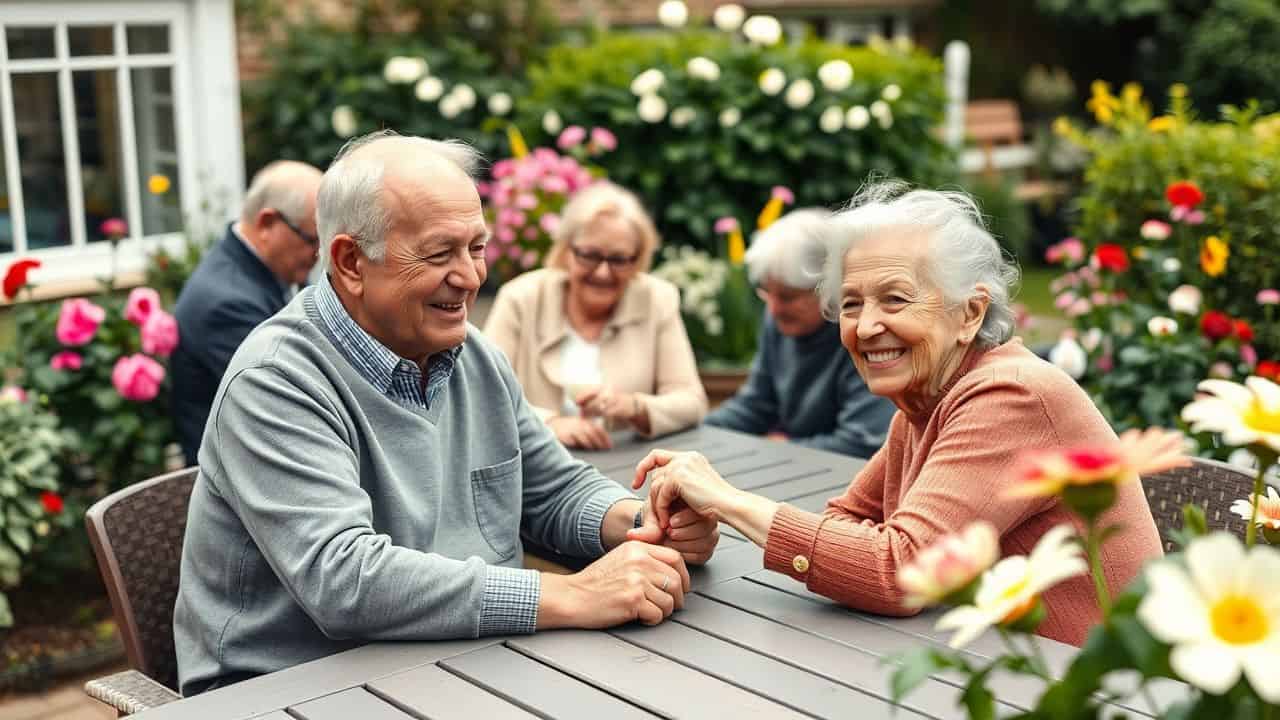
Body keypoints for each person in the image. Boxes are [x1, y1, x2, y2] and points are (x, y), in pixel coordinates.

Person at [173, 131, 719, 696]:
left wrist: (642, 522)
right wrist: (573, 594)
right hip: (290, 688)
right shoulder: (277, 380)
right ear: (351, 261)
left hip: (457, 660)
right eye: (440, 253)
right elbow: (344, 581)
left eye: (477, 248)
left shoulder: (471, 354)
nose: (470, 276)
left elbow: (552, 490)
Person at [632, 182, 1162, 647]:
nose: (864, 328)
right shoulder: (926, 398)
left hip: (1087, 690)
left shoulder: (1010, 396)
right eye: (851, 303)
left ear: (970, 313)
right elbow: (848, 520)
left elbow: (898, 571)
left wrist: (726, 500)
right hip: (992, 662)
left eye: (895, 299)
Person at [483, 181, 707, 450]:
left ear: (638, 260)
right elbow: (484, 394)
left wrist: (635, 406)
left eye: (618, 259)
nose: (603, 272)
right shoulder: (521, 298)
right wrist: (550, 423)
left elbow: (692, 401)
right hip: (533, 464)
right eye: (589, 256)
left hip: (627, 463)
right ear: (566, 252)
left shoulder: (657, 300)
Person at [705, 207, 895, 457]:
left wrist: (776, 449)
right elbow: (756, 405)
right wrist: (698, 435)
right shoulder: (779, 319)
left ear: (832, 289)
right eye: (766, 292)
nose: (773, 309)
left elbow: (863, 441)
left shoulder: (862, 332)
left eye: (787, 296)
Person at [171, 161, 324, 466]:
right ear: (268, 223)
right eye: (313, 239)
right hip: (237, 481)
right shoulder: (226, 303)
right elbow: (289, 404)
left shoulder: (270, 270)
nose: (319, 253)